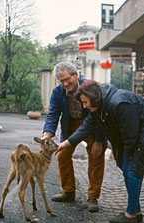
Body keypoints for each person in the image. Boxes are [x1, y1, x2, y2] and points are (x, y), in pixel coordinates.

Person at [56, 80, 144, 223]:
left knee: (132, 170)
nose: (84, 106)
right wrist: (66, 144)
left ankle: (131, 215)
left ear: (93, 97)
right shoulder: (98, 107)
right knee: (127, 169)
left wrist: (128, 156)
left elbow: (130, 133)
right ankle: (135, 212)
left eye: (85, 102)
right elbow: (86, 127)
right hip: (135, 139)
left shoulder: (119, 102)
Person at [42, 61, 106, 212]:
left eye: (67, 79)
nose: (64, 84)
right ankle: (68, 191)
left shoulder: (90, 87)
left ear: (76, 75)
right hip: (70, 124)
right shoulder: (57, 92)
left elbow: (100, 115)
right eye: (61, 81)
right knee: (62, 154)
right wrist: (46, 134)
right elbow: (53, 115)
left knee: (96, 156)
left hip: (91, 125)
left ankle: (92, 197)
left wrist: (98, 140)